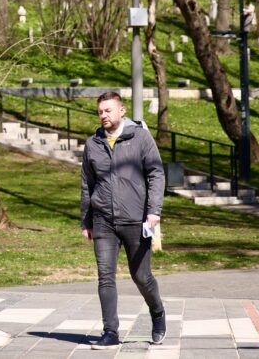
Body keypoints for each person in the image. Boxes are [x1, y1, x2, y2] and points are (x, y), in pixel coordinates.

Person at [81, 91, 166, 349]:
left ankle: (158, 312)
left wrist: (154, 210)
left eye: (108, 110)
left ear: (121, 111)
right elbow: (87, 183)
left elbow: (156, 174)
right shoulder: (92, 144)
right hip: (103, 220)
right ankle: (110, 332)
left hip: (136, 219)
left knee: (141, 277)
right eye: (100, 112)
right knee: (105, 276)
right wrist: (86, 221)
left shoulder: (140, 138)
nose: (103, 115)